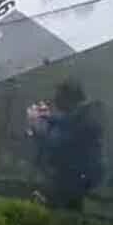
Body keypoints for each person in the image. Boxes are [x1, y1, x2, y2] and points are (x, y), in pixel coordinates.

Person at [32, 80, 105, 211]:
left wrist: (37, 127)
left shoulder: (83, 119)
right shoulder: (81, 114)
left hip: (72, 177)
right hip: (75, 175)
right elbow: (64, 121)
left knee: (61, 211)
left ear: (68, 98)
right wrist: (47, 117)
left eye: (58, 96)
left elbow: (57, 143)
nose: (55, 100)